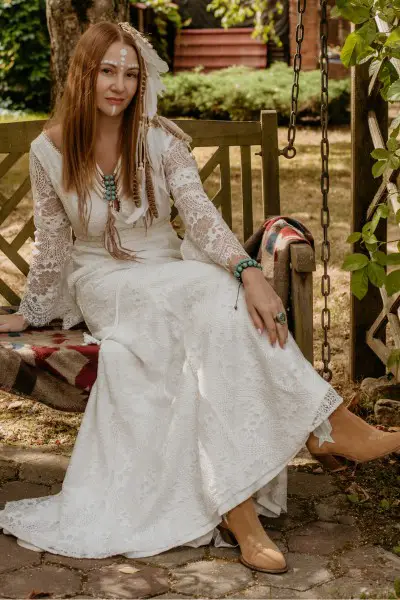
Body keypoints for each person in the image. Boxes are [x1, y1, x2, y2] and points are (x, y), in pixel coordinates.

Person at [0, 21, 399, 574]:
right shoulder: (51, 150)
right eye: (107, 71)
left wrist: (248, 272)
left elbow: (201, 215)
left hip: (167, 270)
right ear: (84, 74)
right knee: (211, 292)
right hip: (104, 282)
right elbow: (51, 244)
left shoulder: (159, 138)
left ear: (143, 81)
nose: (119, 85)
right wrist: (30, 313)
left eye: (131, 74)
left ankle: (239, 509)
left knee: (213, 309)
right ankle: (326, 429)